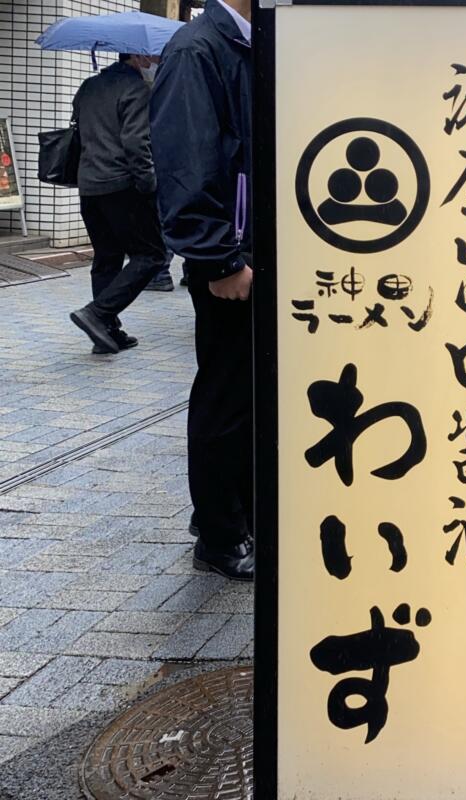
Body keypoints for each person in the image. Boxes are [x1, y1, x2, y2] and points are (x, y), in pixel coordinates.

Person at [150, 0, 254, 581]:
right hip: (230, 260)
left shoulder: (243, 44)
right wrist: (218, 257)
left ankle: (230, 514)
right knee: (226, 396)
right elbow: (185, 161)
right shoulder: (197, 49)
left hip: (246, 252)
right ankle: (218, 535)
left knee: (245, 394)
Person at [69, 53, 167, 355]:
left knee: (107, 257)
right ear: (137, 56)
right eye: (152, 56)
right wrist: (149, 185)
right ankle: (98, 314)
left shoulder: (89, 86)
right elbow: (137, 142)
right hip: (123, 185)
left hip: (89, 186)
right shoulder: (136, 89)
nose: (156, 61)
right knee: (151, 254)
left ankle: (107, 331)